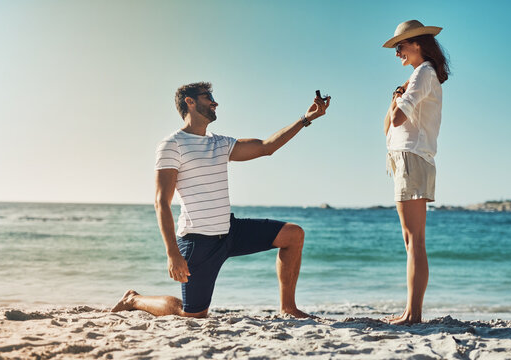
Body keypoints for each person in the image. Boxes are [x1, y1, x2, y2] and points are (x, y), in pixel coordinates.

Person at [112, 82, 331, 318]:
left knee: (293, 234)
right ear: (190, 102)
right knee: (192, 316)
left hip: (229, 231)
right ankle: (134, 299)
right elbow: (161, 202)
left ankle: (289, 308)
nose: (215, 102)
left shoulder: (220, 143)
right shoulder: (171, 145)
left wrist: (306, 118)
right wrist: (172, 252)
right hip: (198, 241)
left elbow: (267, 147)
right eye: (208, 97)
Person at [382, 20, 450, 324]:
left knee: (414, 241)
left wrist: (400, 97)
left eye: (401, 46)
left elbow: (397, 120)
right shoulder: (416, 76)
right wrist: (397, 95)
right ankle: (412, 311)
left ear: (417, 44)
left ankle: (414, 314)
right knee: (411, 240)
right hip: (404, 157)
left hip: (412, 156)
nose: (398, 53)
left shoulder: (423, 73)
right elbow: (386, 128)